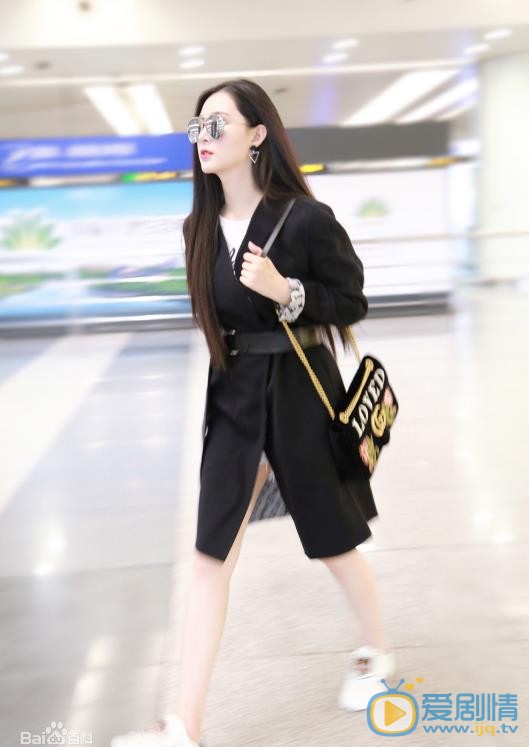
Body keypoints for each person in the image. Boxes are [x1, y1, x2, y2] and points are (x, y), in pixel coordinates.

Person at [111, 77, 395, 747]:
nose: (203, 138)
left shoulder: (305, 219)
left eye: (217, 124)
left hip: (300, 396)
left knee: (333, 540)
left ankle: (376, 650)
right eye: (197, 127)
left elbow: (350, 300)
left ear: (257, 134)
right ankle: (186, 724)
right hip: (235, 400)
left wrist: (287, 290)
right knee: (210, 556)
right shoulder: (199, 227)